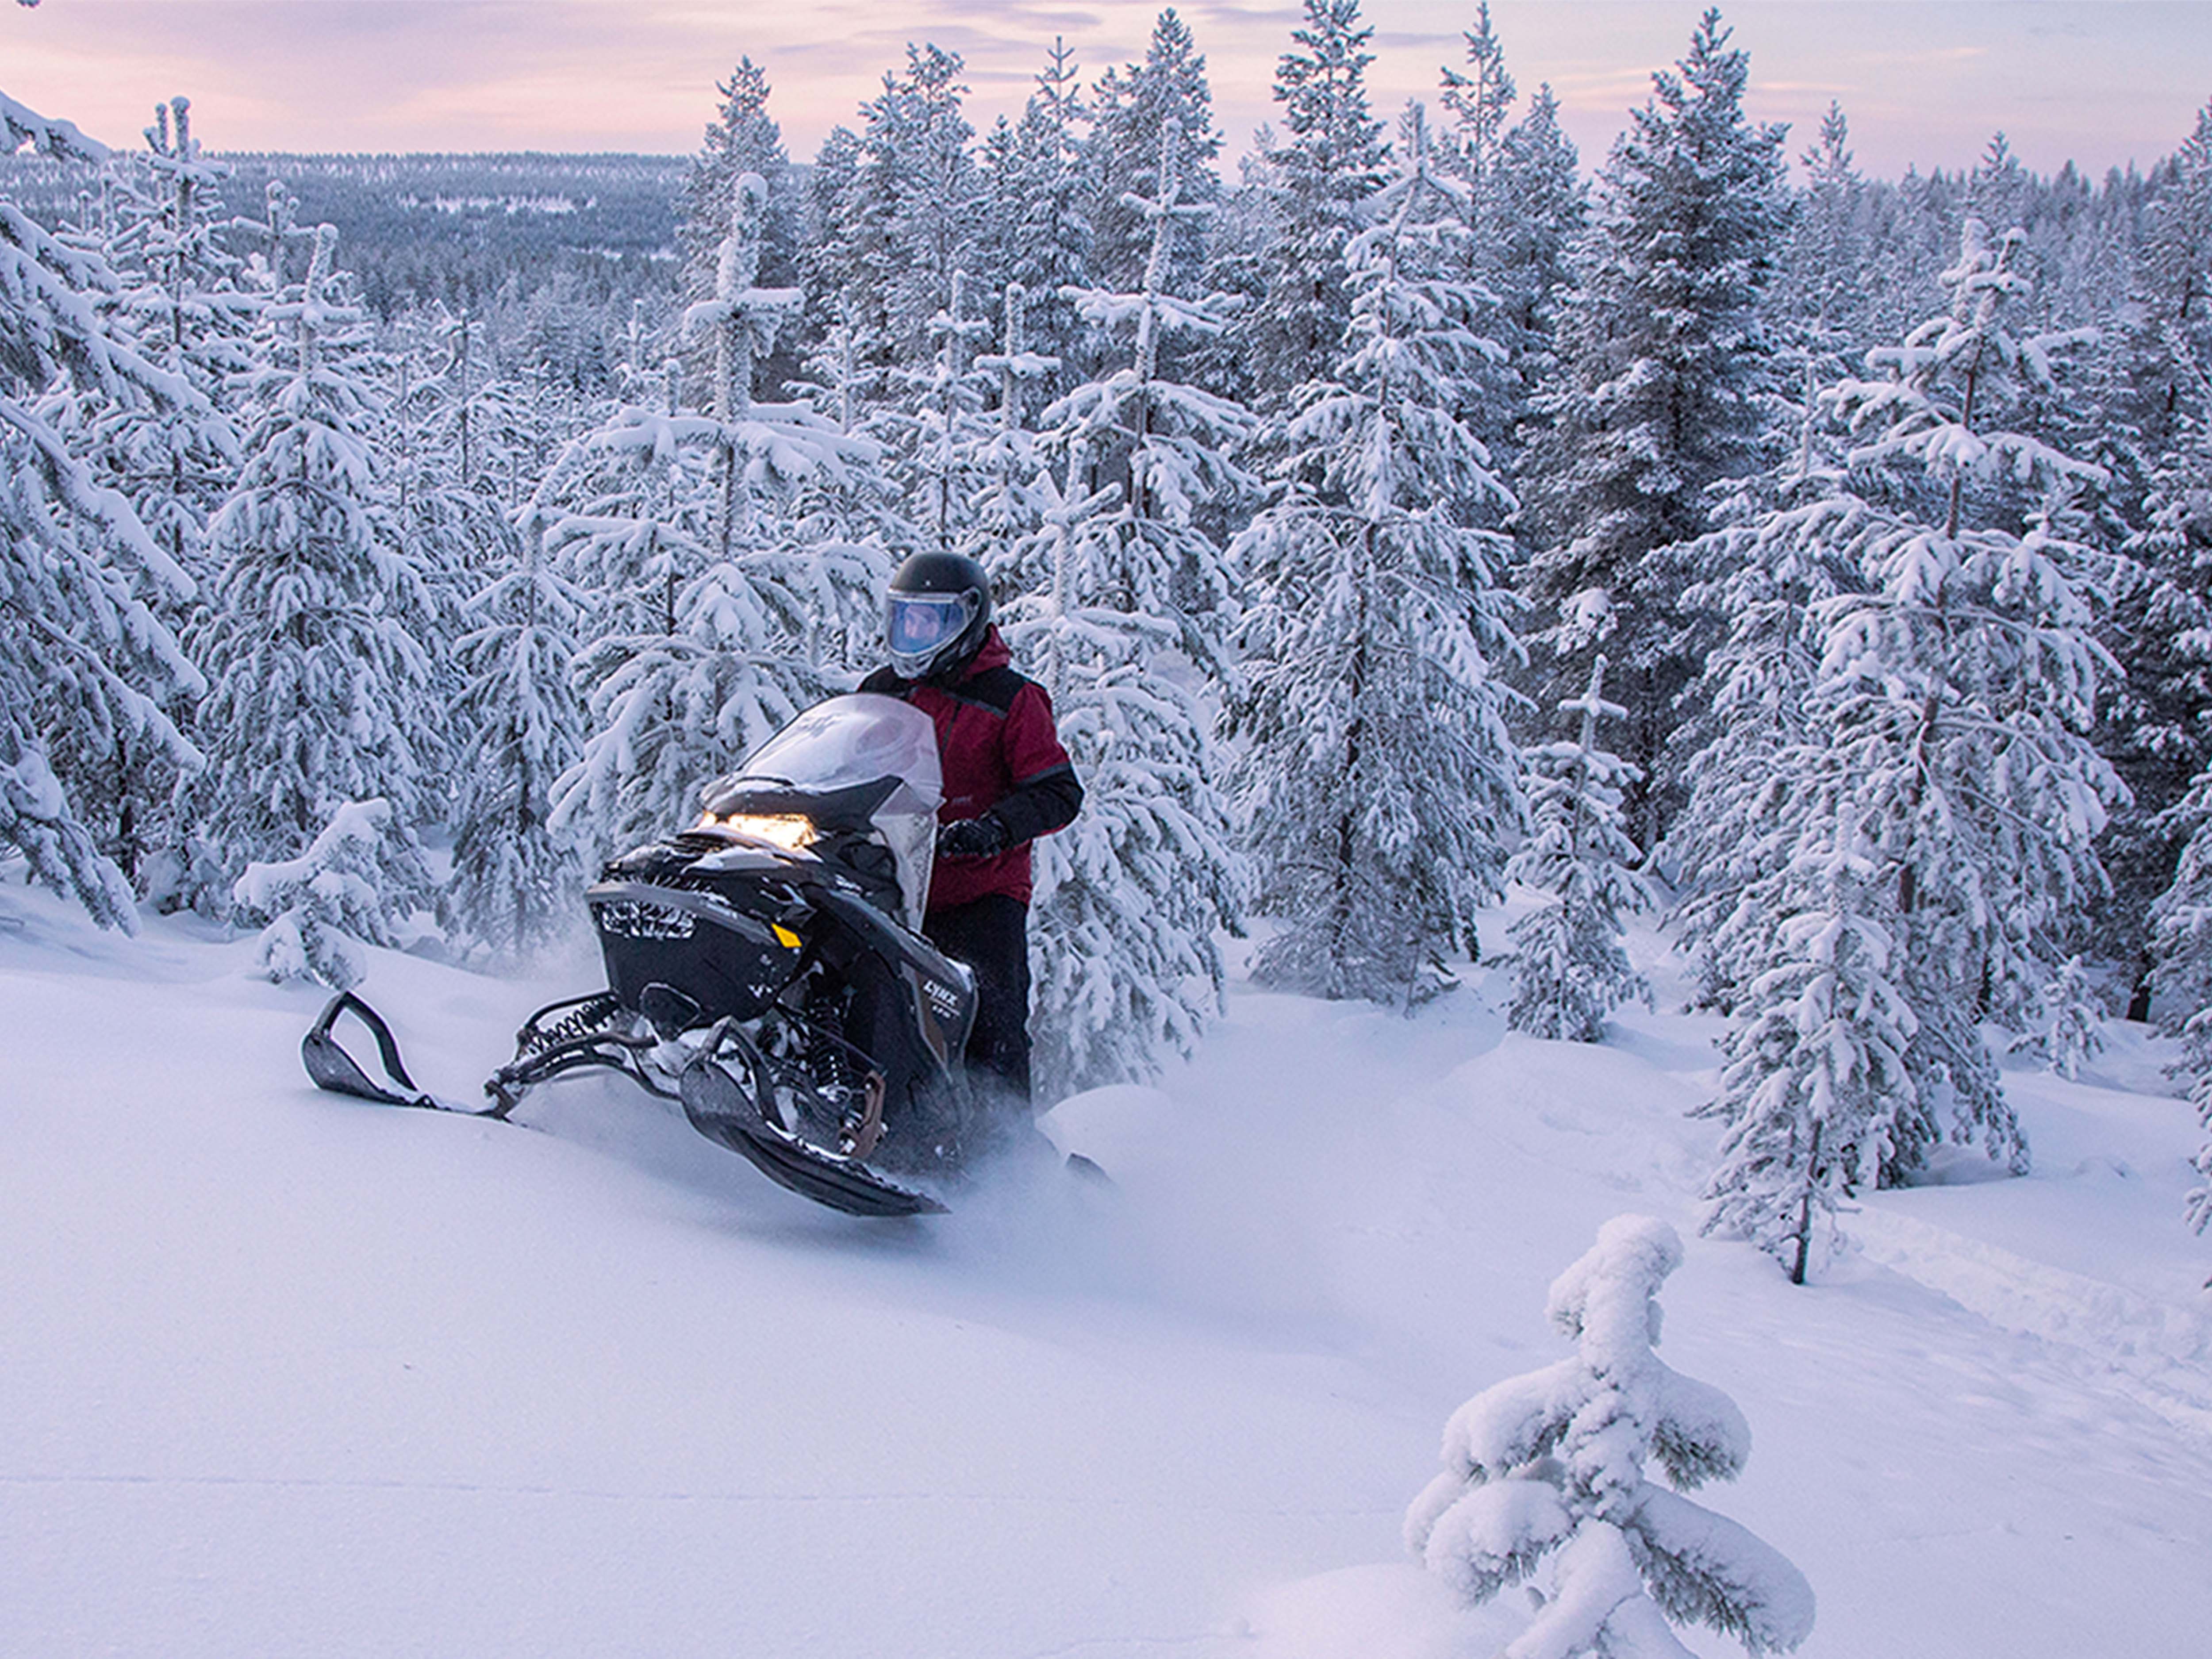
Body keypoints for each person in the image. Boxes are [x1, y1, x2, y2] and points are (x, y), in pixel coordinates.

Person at [860, 551, 1082, 1115]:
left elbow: (1058, 792)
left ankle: (1007, 1156)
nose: (913, 635)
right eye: (904, 620)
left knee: (991, 1019)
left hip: (979, 892)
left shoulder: (1011, 699)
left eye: (928, 622)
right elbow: (843, 757)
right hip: (890, 884)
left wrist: (992, 829)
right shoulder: (883, 689)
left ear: (966, 622)